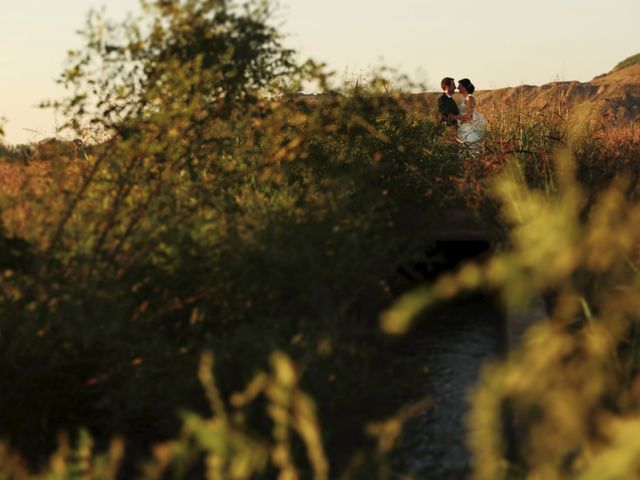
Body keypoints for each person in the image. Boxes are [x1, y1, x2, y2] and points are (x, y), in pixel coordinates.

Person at [454, 78, 486, 146]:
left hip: (469, 128)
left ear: (464, 87)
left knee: (469, 146)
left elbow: (469, 116)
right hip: (464, 126)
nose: (457, 87)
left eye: (459, 86)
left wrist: (455, 117)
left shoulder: (469, 98)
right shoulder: (465, 99)